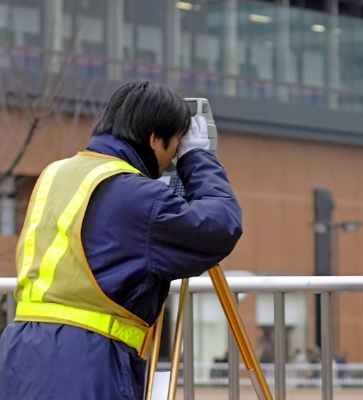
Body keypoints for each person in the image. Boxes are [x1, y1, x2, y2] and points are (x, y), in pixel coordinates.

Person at [0, 81, 242, 400]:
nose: (172, 159)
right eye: (175, 148)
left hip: (21, 354)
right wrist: (197, 158)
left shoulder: (55, 174)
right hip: (86, 362)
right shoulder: (135, 195)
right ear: (155, 138)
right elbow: (221, 225)